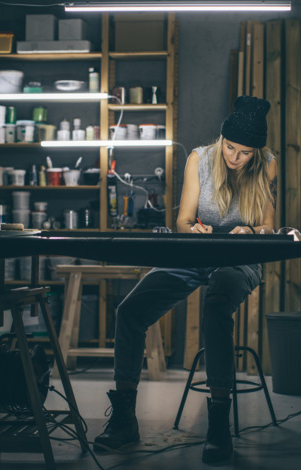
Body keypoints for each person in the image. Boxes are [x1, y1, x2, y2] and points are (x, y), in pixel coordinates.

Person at [93, 96, 277, 464]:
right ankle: (126, 419)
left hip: (241, 260)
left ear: (256, 152)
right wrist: (196, 230)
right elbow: (182, 221)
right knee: (129, 311)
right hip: (195, 254)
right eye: (229, 147)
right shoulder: (200, 158)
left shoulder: (266, 166)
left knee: (216, 307)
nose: (234, 157)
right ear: (221, 140)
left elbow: (269, 227)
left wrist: (249, 229)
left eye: (243, 152)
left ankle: (219, 426)